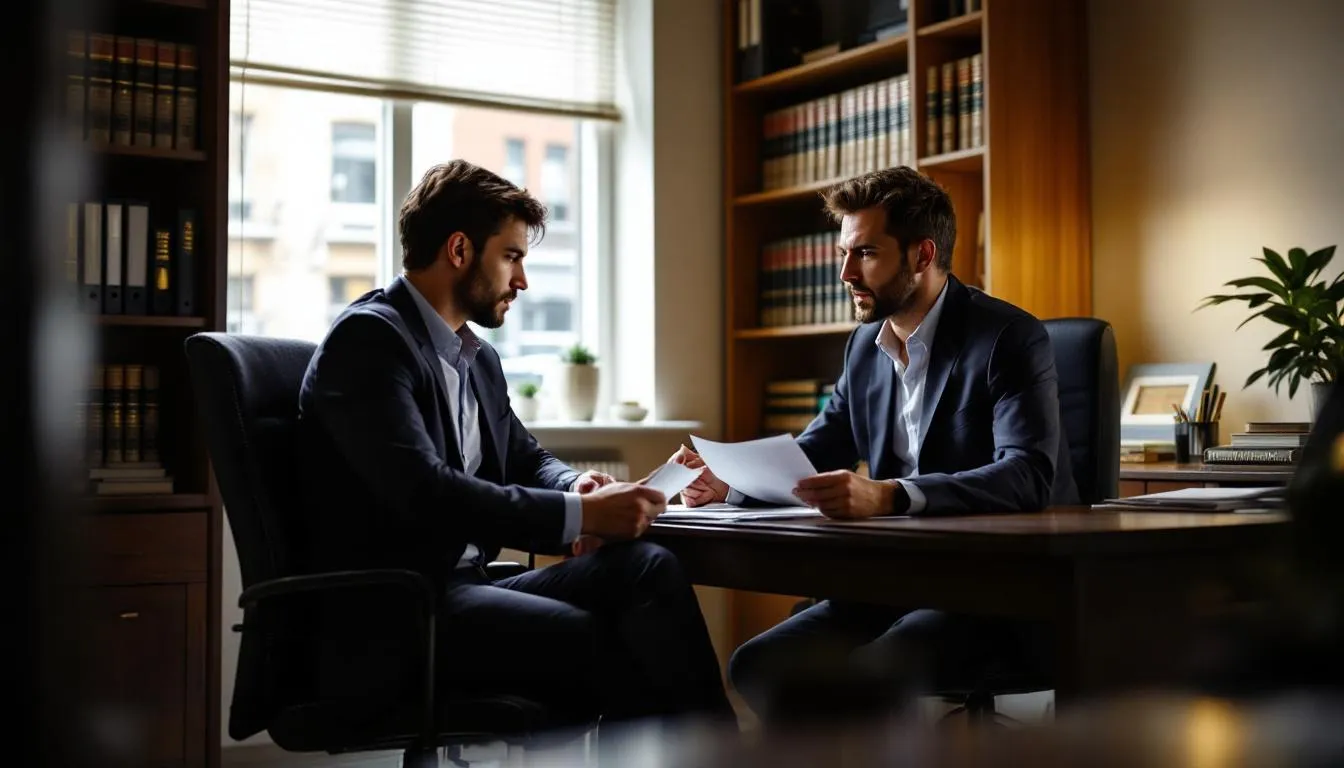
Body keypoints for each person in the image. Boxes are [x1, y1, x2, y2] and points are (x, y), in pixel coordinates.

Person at [296, 159, 733, 727]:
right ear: (459, 250)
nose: (522, 282)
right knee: (602, 634)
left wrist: (579, 485)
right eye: (512, 257)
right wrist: (581, 515)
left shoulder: (475, 358)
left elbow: (527, 457)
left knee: (646, 569)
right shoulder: (369, 341)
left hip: (462, 590)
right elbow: (425, 491)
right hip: (393, 612)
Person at [669, 166, 1079, 724]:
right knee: (758, 665)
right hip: (894, 580)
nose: (844, 272)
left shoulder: (1008, 337)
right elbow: (815, 451)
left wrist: (890, 496)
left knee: (863, 678)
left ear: (922, 254)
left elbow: (1026, 475)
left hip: (995, 592)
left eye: (865, 254)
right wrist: (729, 482)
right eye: (844, 253)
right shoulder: (865, 346)